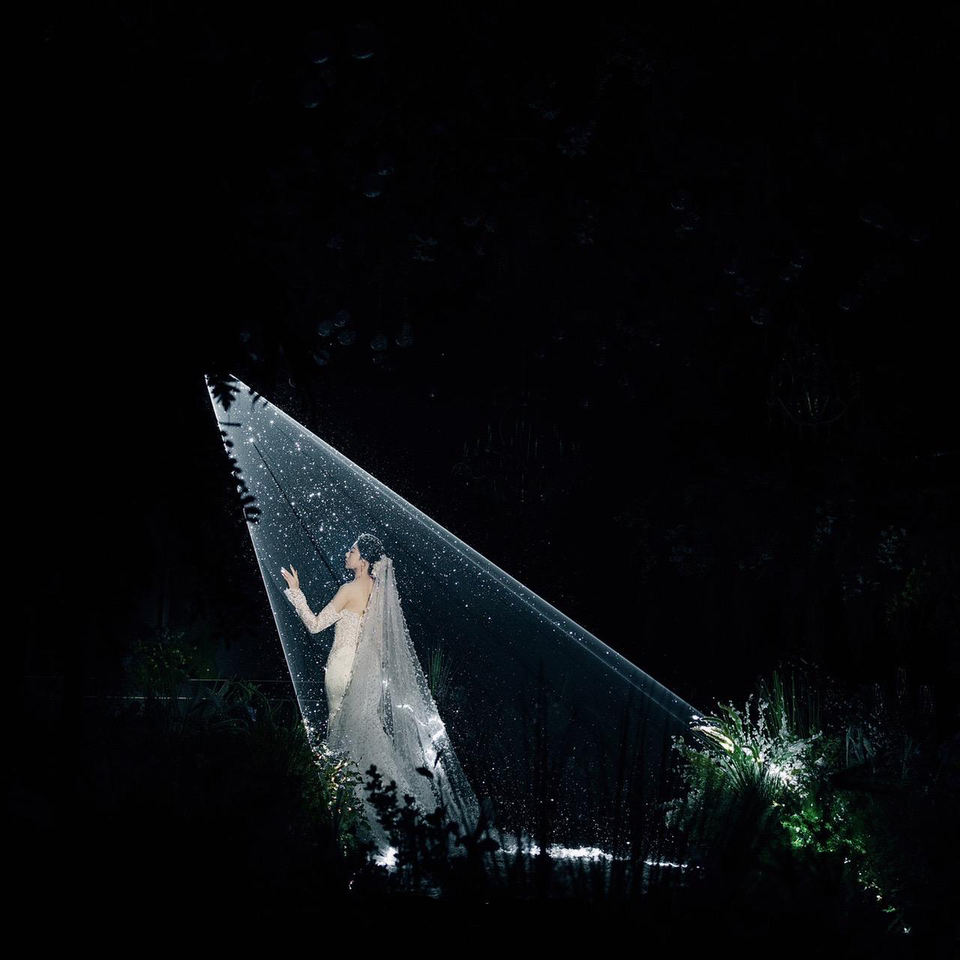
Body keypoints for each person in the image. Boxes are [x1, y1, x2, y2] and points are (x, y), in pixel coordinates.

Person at [280, 534, 481, 855]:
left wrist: (296, 592)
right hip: (369, 672)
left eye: (352, 550)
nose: (346, 553)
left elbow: (315, 625)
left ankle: (352, 817)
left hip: (343, 668)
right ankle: (398, 810)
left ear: (363, 560)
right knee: (368, 733)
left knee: (345, 735)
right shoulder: (381, 593)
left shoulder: (349, 590)